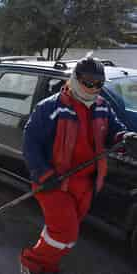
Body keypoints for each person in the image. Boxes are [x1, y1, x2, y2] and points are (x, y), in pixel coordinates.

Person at [20, 56, 137, 274]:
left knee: (60, 232)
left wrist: (124, 137)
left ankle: (48, 265)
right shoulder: (50, 108)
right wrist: (43, 174)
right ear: (75, 79)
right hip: (54, 183)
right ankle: (30, 263)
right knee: (66, 234)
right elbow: (30, 143)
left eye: (98, 84)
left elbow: (114, 131)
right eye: (88, 82)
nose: (93, 89)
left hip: (87, 184)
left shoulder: (103, 107)